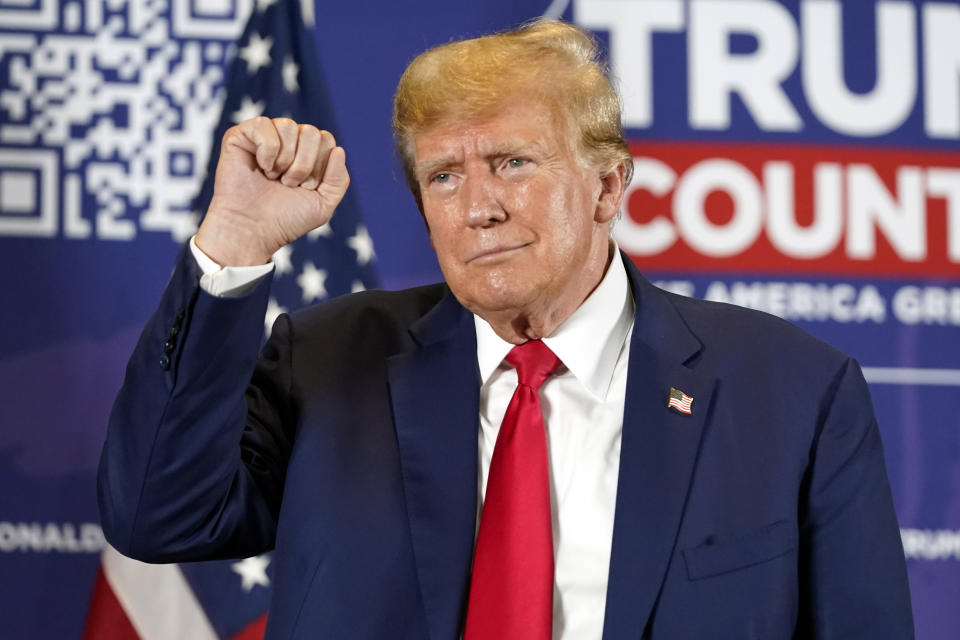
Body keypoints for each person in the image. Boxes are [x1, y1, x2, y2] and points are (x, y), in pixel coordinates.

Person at [98, 20, 914, 640]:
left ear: (607, 184)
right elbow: (156, 516)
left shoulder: (791, 388)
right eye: (444, 176)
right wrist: (235, 243)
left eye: (513, 163)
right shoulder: (326, 359)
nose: (478, 206)